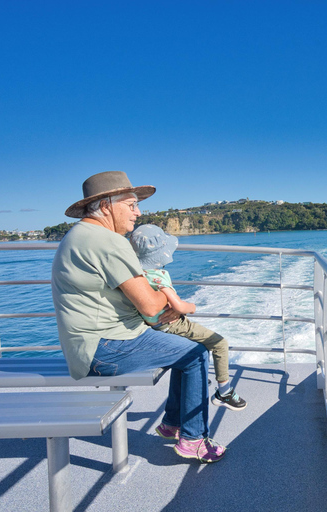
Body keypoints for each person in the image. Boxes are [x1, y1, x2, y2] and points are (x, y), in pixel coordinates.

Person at [51, 171, 224, 463]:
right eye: (131, 205)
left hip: (84, 344)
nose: (138, 212)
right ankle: (193, 439)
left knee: (181, 352)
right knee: (196, 353)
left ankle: (172, 424)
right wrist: (170, 299)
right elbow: (152, 308)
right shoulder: (109, 242)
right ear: (106, 205)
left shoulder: (78, 235)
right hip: (104, 348)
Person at [129, 224, 247, 411]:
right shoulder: (158, 278)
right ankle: (224, 392)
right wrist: (191, 307)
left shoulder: (136, 277)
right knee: (219, 343)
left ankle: (195, 384)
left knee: (198, 348)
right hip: (173, 326)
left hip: (154, 327)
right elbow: (179, 306)